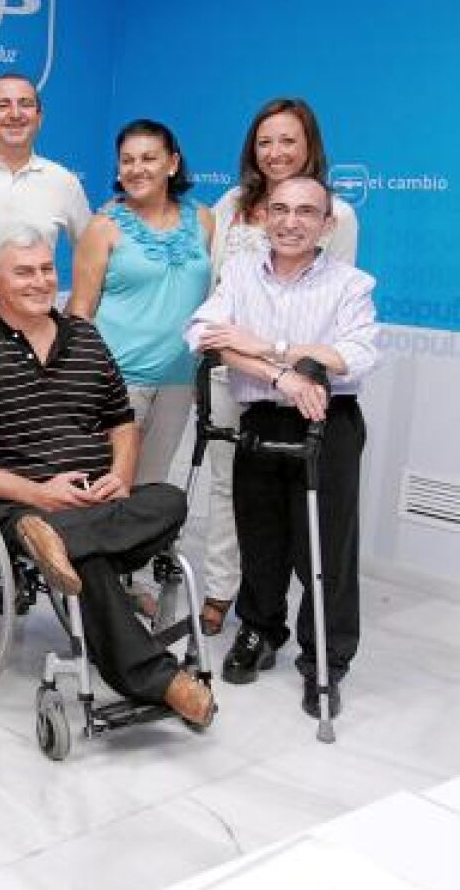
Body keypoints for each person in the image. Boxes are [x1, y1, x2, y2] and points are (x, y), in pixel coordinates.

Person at [0, 223, 216, 726]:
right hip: (16, 502)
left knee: (169, 498)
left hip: (93, 497)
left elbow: (121, 423)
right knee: (93, 561)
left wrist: (120, 476)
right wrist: (38, 494)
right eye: (24, 272)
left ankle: (58, 539)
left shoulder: (85, 337)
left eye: (46, 269)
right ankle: (160, 680)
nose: (40, 281)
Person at [188, 175, 377, 718]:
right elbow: (204, 335)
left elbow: (354, 355)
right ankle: (260, 629)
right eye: (280, 210)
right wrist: (283, 376)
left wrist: (267, 346)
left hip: (327, 421)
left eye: (305, 212)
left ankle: (325, 659)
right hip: (262, 414)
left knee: (325, 549)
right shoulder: (241, 273)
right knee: (260, 536)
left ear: (327, 223)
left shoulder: (350, 284)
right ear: (264, 216)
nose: (291, 222)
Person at [199, 98, 359, 636]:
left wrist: (282, 360)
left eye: (288, 140)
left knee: (292, 507)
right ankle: (224, 591)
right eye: (265, 142)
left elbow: (332, 303)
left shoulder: (337, 214)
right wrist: (230, 354)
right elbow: (215, 294)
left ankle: (292, 619)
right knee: (230, 488)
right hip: (231, 369)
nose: (275, 152)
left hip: (297, 382)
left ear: (310, 146)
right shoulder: (231, 203)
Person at [68, 119, 213, 486]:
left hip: (178, 381)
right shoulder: (103, 226)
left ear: (173, 163)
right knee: (105, 486)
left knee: (150, 488)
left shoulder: (203, 219)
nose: (136, 169)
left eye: (148, 158)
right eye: (127, 160)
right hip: (116, 382)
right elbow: (80, 312)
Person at [0, 73, 91, 251]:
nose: (15, 114)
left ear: (39, 118)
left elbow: (91, 253)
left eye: (25, 104)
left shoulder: (63, 181)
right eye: (3, 105)